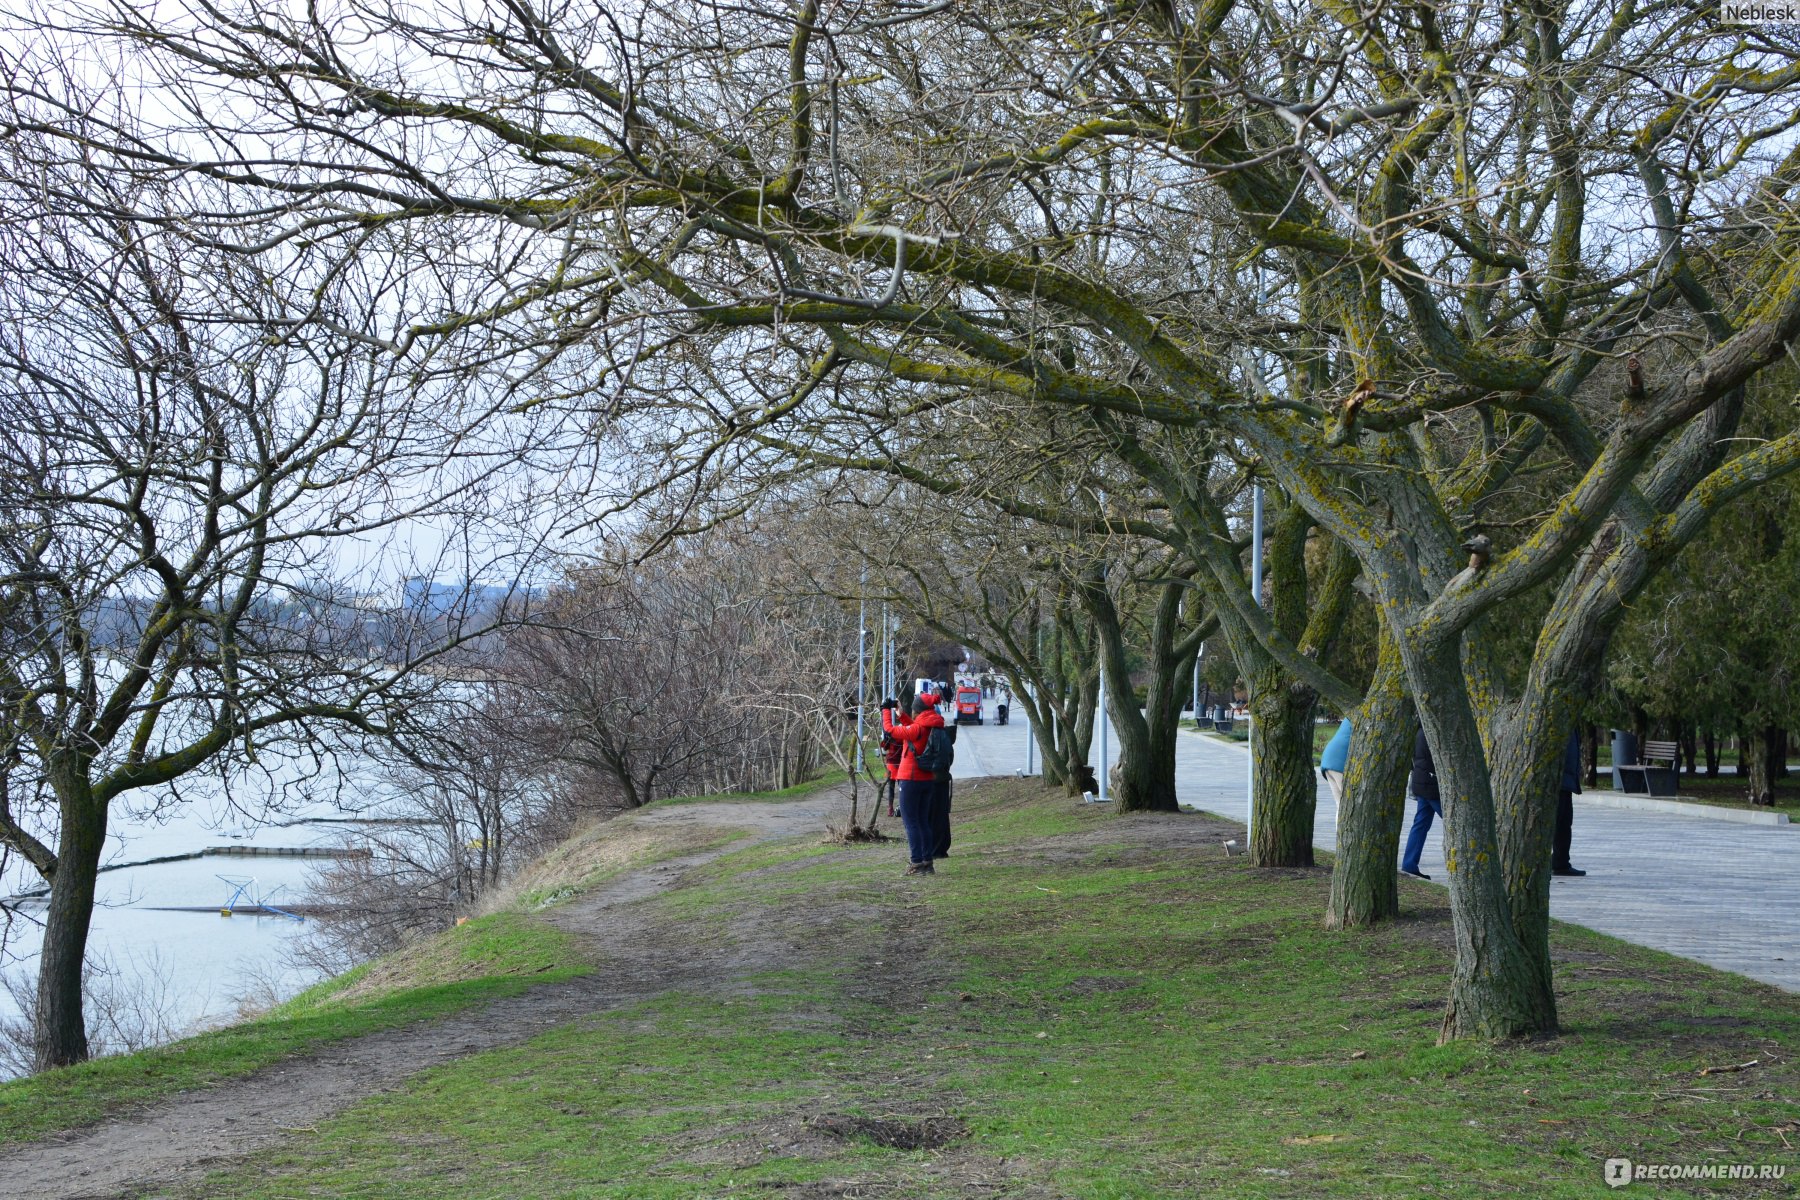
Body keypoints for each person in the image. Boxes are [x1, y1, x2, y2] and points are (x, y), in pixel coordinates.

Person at [882, 691, 946, 875]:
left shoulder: (919, 728)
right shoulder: (932, 724)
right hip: (927, 780)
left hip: (911, 780)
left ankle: (916, 862)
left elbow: (890, 730)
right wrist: (901, 714)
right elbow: (914, 730)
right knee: (923, 822)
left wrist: (885, 711)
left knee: (911, 823)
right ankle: (927, 862)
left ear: (918, 710)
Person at [1400, 724, 1440, 881]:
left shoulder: (1417, 731)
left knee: (1420, 824)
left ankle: (1409, 863)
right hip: (1432, 783)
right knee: (1458, 822)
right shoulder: (1431, 731)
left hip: (1421, 781)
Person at [1554, 728, 1586, 877]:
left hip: (1565, 782)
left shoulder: (1569, 723)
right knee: (1559, 824)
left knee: (1564, 824)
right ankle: (1559, 863)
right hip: (1557, 782)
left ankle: (1561, 862)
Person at [880, 695, 913, 817]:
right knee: (901, 788)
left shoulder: (892, 736)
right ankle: (902, 807)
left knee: (890, 788)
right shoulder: (904, 736)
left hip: (891, 764)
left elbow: (884, 747)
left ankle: (890, 808)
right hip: (900, 764)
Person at [1319, 717, 1352, 805]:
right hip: (1339, 760)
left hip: (1328, 758)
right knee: (1350, 803)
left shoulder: (1352, 713)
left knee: (1340, 804)